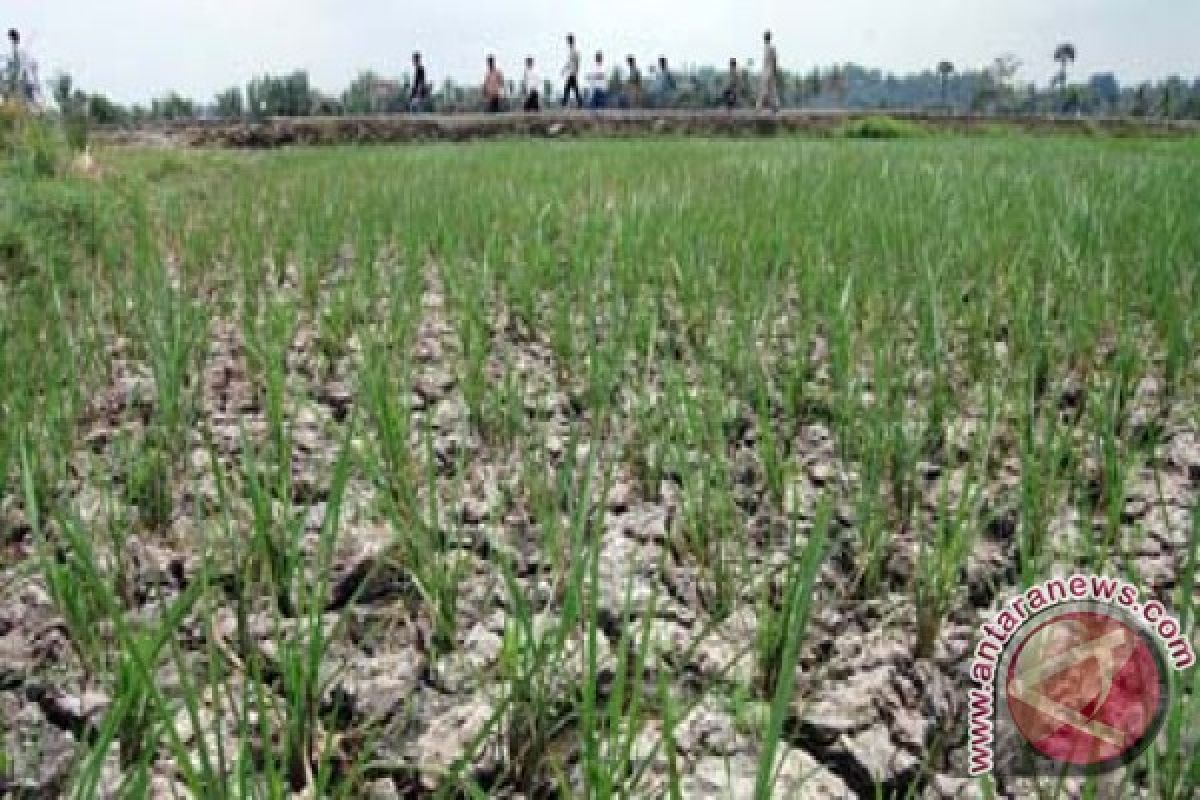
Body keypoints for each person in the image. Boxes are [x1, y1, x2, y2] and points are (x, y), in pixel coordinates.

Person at [4, 28, 39, 107]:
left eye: (11, 38)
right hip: (26, 80)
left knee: (28, 101)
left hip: (24, 81)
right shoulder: (20, 50)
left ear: (13, 39)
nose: (10, 40)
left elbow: (20, 67)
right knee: (30, 101)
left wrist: (17, 79)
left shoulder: (17, 50)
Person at [758, 30, 781, 111]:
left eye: (765, 36)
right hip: (768, 71)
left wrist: (774, 71)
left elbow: (774, 60)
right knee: (771, 90)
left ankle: (759, 107)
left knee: (765, 89)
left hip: (768, 71)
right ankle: (775, 106)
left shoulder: (771, 48)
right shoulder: (767, 47)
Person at [561, 33, 583, 108]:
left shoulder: (575, 50)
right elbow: (569, 62)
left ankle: (564, 104)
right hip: (570, 72)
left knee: (568, 88)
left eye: (569, 40)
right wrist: (564, 69)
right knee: (574, 89)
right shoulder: (571, 51)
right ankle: (579, 103)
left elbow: (577, 61)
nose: (568, 42)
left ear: (571, 41)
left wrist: (576, 71)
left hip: (573, 72)